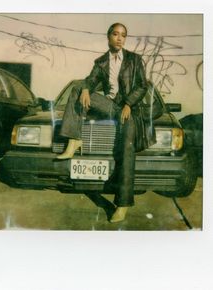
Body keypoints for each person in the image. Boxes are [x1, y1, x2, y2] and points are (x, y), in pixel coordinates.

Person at [57, 23, 156, 222]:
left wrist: (129, 103)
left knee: (127, 148)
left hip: (129, 111)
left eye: (123, 35)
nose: (120, 38)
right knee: (77, 88)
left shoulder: (134, 60)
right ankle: (74, 139)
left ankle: (122, 204)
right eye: (116, 34)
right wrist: (86, 88)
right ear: (109, 37)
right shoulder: (101, 61)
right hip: (110, 107)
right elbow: (91, 79)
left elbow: (143, 86)